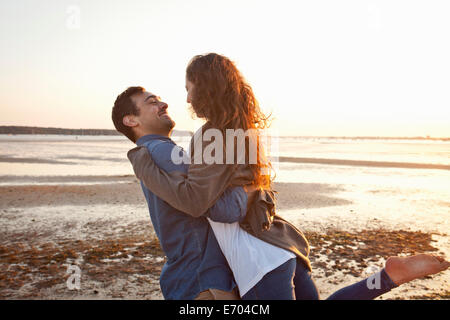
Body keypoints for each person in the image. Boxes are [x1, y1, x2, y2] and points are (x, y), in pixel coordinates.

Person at [127, 54, 450, 299]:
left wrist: (145, 169)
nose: (185, 99)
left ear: (205, 86)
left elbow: (209, 205)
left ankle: (387, 278)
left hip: (256, 257)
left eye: (189, 88)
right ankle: (386, 278)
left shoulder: (210, 134)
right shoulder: (245, 130)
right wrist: (252, 192)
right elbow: (253, 192)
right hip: (283, 244)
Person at [112, 86, 252, 300]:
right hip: (206, 281)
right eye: (152, 102)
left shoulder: (150, 154)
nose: (163, 104)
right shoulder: (164, 151)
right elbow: (221, 208)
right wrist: (253, 190)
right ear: (131, 120)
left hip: (192, 278)